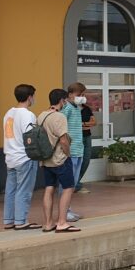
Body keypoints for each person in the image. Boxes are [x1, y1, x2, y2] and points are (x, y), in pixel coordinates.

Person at [38, 88, 79, 232]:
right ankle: (62, 222)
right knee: (68, 188)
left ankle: (48, 223)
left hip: (45, 160)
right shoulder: (60, 117)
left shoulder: (41, 115)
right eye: (65, 101)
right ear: (62, 101)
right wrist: (68, 154)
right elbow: (63, 141)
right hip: (60, 159)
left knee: (49, 189)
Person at [3, 84, 40, 231]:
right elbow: (30, 138)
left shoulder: (8, 113)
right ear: (29, 97)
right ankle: (21, 221)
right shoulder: (27, 114)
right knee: (24, 190)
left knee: (11, 190)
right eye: (34, 96)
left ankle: (9, 220)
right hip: (25, 157)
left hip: (10, 157)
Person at [60, 82, 86, 221]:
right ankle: (64, 212)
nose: (81, 97)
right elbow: (60, 125)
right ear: (70, 94)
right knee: (67, 184)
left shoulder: (77, 108)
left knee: (73, 183)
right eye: (79, 95)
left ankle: (68, 209)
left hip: (78, 150)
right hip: (71, 152)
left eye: (82, 95)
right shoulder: (67, 108)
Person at [75, 96, 96, 194]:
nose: (83, 97)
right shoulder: (72, 109)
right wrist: (86, 125)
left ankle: (76, 181)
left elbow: (94, 122)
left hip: (87, 137)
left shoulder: (87, 109)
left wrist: (83, 124)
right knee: (78, 160)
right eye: (80, 94)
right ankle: (76, 184)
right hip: (78, 138)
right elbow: (75, 124)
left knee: (86, 160)